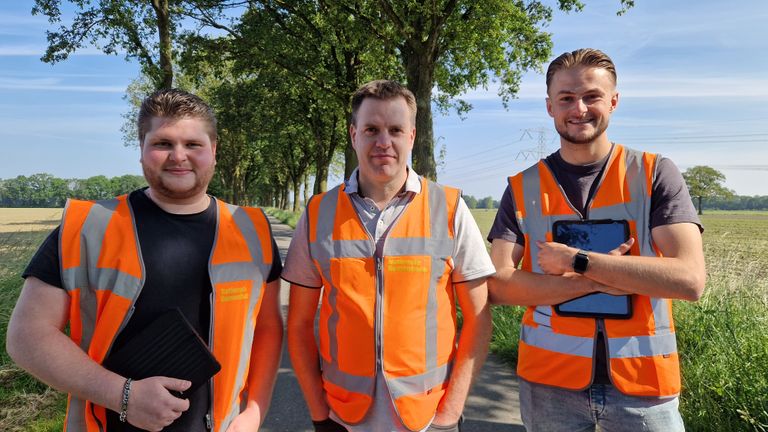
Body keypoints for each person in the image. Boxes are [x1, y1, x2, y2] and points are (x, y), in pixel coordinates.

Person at [6, 89, 283, 432]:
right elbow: (26, 336)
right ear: (141, 150)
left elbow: (268, 329)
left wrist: (253, 413)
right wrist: (124, 396)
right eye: (163, 143)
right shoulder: (87, 226)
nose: (178, 156)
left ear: (214, 150)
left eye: (193, 144)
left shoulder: (251, 229)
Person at [487, 48, 706, 431]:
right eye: (567, 99)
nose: (580, 109)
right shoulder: (521, 188)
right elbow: (498, 285)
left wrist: (578, 261)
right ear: (549, 107)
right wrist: (595, 281)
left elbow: (689, 280)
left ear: (614, 101)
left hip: (644, 385)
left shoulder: (654, 174)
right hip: (548, 383)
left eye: (592, 97)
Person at [283, 80, 495, 432]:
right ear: (354, 135)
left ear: (412, 136)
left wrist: (451, 411)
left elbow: (478, 318)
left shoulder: (450, 208)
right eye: (371, 129)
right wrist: (319, 413)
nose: (384, 142)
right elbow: (300, 323)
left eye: (395, 130)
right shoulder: (319, 212)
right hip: (344, 417)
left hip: (427, 418)